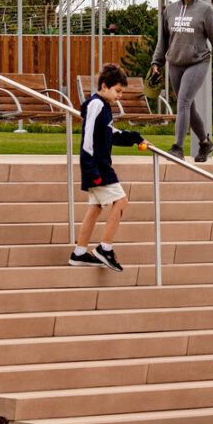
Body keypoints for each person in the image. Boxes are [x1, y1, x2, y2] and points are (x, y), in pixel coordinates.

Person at [149, 0, 213, 162]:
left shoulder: (205, 10)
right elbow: (163, 41)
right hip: (175, 63)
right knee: (189, 105)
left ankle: (178, 147)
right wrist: (156, 63)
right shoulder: (170, 10)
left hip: (198, 61)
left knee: (183, 102)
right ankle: (205, 143)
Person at [69, 63, 147, 271]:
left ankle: (79, 253)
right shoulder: (97, 105)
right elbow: (88, 139)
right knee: (121, 201)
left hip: (97, 165)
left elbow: (110, 135)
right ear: (105, 86)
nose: (120, 96)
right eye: (118, 91)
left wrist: (135, 138)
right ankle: (105, 248)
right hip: (97, 166)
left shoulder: (103, 106)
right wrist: (91, 169)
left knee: (95, 207)